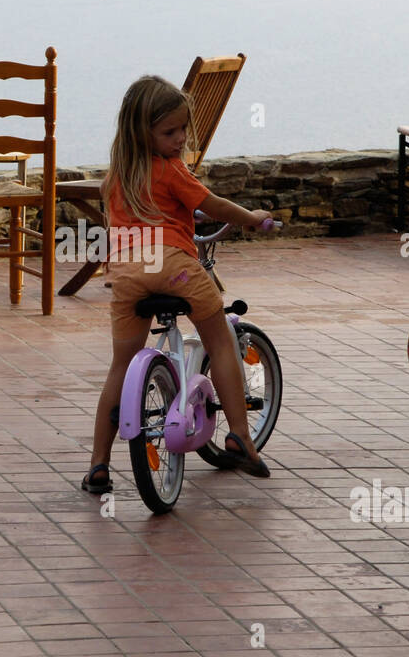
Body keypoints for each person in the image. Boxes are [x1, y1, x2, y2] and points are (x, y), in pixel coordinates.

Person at [81, 75, 274, 494]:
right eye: (170, 131)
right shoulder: (171, 170)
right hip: (173, 266)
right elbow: (214, 205)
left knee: (121, 364)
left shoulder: (115, 179)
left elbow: (144, 214)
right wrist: (253, 218)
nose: (180, 138)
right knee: (219, 336)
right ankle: (240, 434)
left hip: (127, 273)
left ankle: (98, 463)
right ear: (142, 132)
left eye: (183, 129)